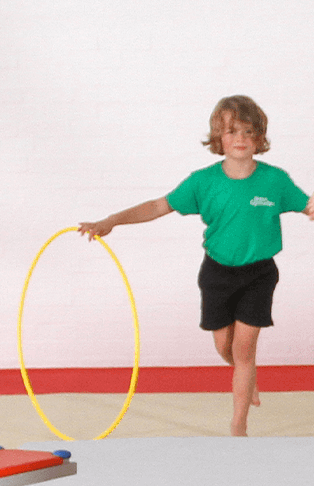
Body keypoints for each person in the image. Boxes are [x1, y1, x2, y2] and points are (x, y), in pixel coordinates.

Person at [79, 96, 313, 436]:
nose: (241, 138)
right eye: (232, 131)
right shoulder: (202, 182)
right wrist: (112, 220)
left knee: (244, 348)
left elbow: (307, 206)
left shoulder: (275, 181)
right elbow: (159, 206)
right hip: (217, 273)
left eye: (249, 131)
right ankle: (247, 379)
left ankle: (239, 424)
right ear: (218, 138)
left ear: (260, 138)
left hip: (259, 274)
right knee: (224, 347)